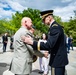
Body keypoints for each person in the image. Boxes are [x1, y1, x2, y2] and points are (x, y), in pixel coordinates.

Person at [21, 10, 69, 75]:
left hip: (58, 60)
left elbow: (49, 45)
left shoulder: (55, 28)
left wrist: (32, 42)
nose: (43, 22)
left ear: (49, 17)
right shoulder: (55, 27)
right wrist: (48, 51)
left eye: (44, 19)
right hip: (59, 59)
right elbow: (56, 44)